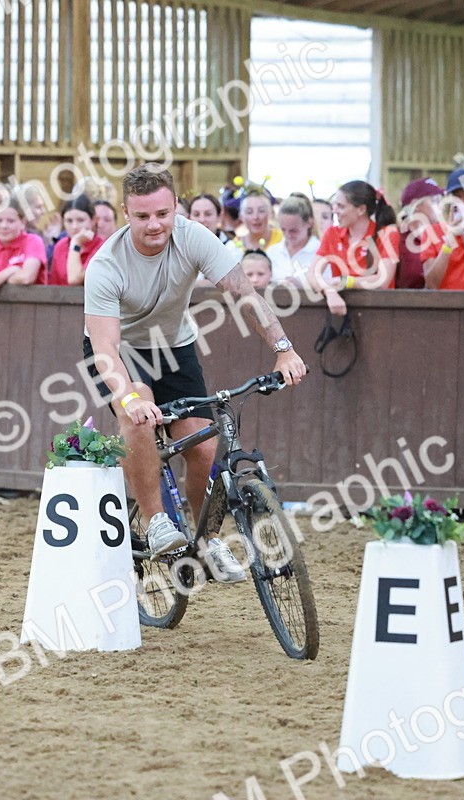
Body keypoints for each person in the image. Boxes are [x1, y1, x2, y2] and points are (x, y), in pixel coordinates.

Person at [83, 163, 306, 583]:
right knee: (136, 410)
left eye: (163, 214)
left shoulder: (194, 237)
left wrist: (284, 350)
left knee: (202, 446)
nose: (155, 224)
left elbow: (244, 293)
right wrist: (129, 398)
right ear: (126, 213)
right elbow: (105, 347)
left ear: (175, 209)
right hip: (122, 350)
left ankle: (208, 539)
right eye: (143, 216)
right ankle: (156, 523)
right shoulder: (106, 264)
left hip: (173, 344)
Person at [309, 180, 401, 315]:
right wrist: (329, 291)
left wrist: (345, 281)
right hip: (341, 313)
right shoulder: (332, 233)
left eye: (341, 206)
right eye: (334, 205)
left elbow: (382, 281)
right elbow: (313, 273)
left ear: (361, 209)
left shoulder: (388, 233)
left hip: (380, 313)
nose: (335, 211)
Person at [0, 201, 46, 298]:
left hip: (32, 308)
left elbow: (26, 278)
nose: (4, 226)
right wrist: (10, 271)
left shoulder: (33, 241)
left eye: (11, 221)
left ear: (22, 222)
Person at [394, 177, 444, 290]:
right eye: (434, 201)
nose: (440, 207)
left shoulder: (443, 236)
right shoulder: (397, 238)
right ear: (416, 205)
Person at [45, 194, 104, 286]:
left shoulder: (103, 247)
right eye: (69, 221)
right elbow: (54, 284)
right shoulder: (60, 246)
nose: (74, 227)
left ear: (93, 220)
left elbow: (75, 279)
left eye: (80, 220)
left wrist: (76, 244)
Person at [266, 194, 320, 283]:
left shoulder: (320, 252)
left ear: (309, 223)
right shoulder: (272, 252)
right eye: (283, 229)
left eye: (293, 230)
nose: (287, 235)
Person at [226, 189, 283, 253]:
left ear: (270, 213)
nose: (255, 217)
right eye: (249, 212)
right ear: (241, 216)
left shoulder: (283, 240)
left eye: (261, 211)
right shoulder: (233, 248)